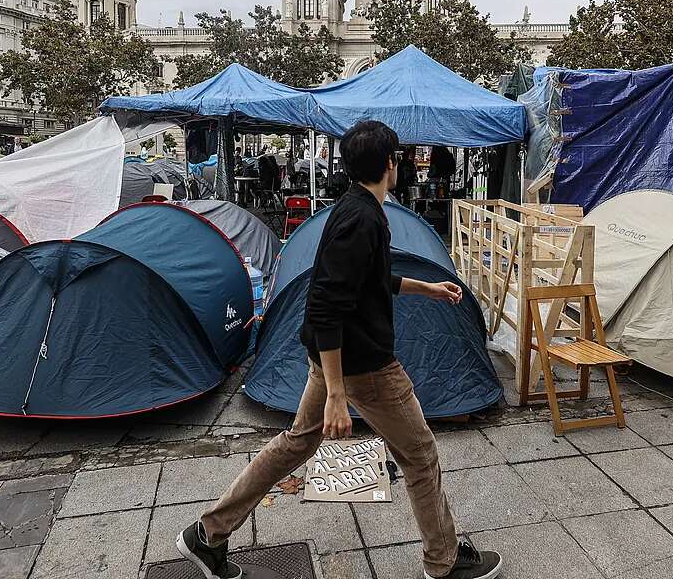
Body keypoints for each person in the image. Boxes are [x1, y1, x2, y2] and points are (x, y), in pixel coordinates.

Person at [177, 120, 502, 579]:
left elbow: (364, 281)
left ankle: (208, 533)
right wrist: (335, 392)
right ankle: (443, 562)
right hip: (363, 365)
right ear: (390, 163)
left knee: (297, 443)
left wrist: (423, 287)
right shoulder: (363, 218)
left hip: (334, 358)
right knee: (420, 456)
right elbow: (329, 305)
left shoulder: (354, 207)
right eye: (399, 157)